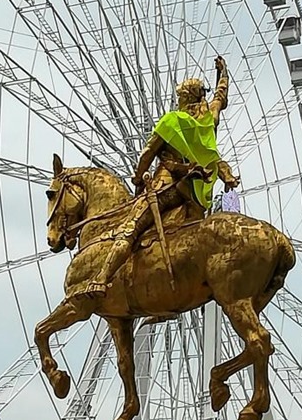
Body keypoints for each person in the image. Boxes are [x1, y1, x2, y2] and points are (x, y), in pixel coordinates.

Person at [83, 55, 240, 298]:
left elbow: (147, 154)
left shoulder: (172, 122)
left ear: (183, 98)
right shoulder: (211, 115)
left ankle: (101, 279)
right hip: (197, 193)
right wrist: (223, 73)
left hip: (167, 187)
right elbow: (221, 96)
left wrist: (137, 178)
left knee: (130, 228)